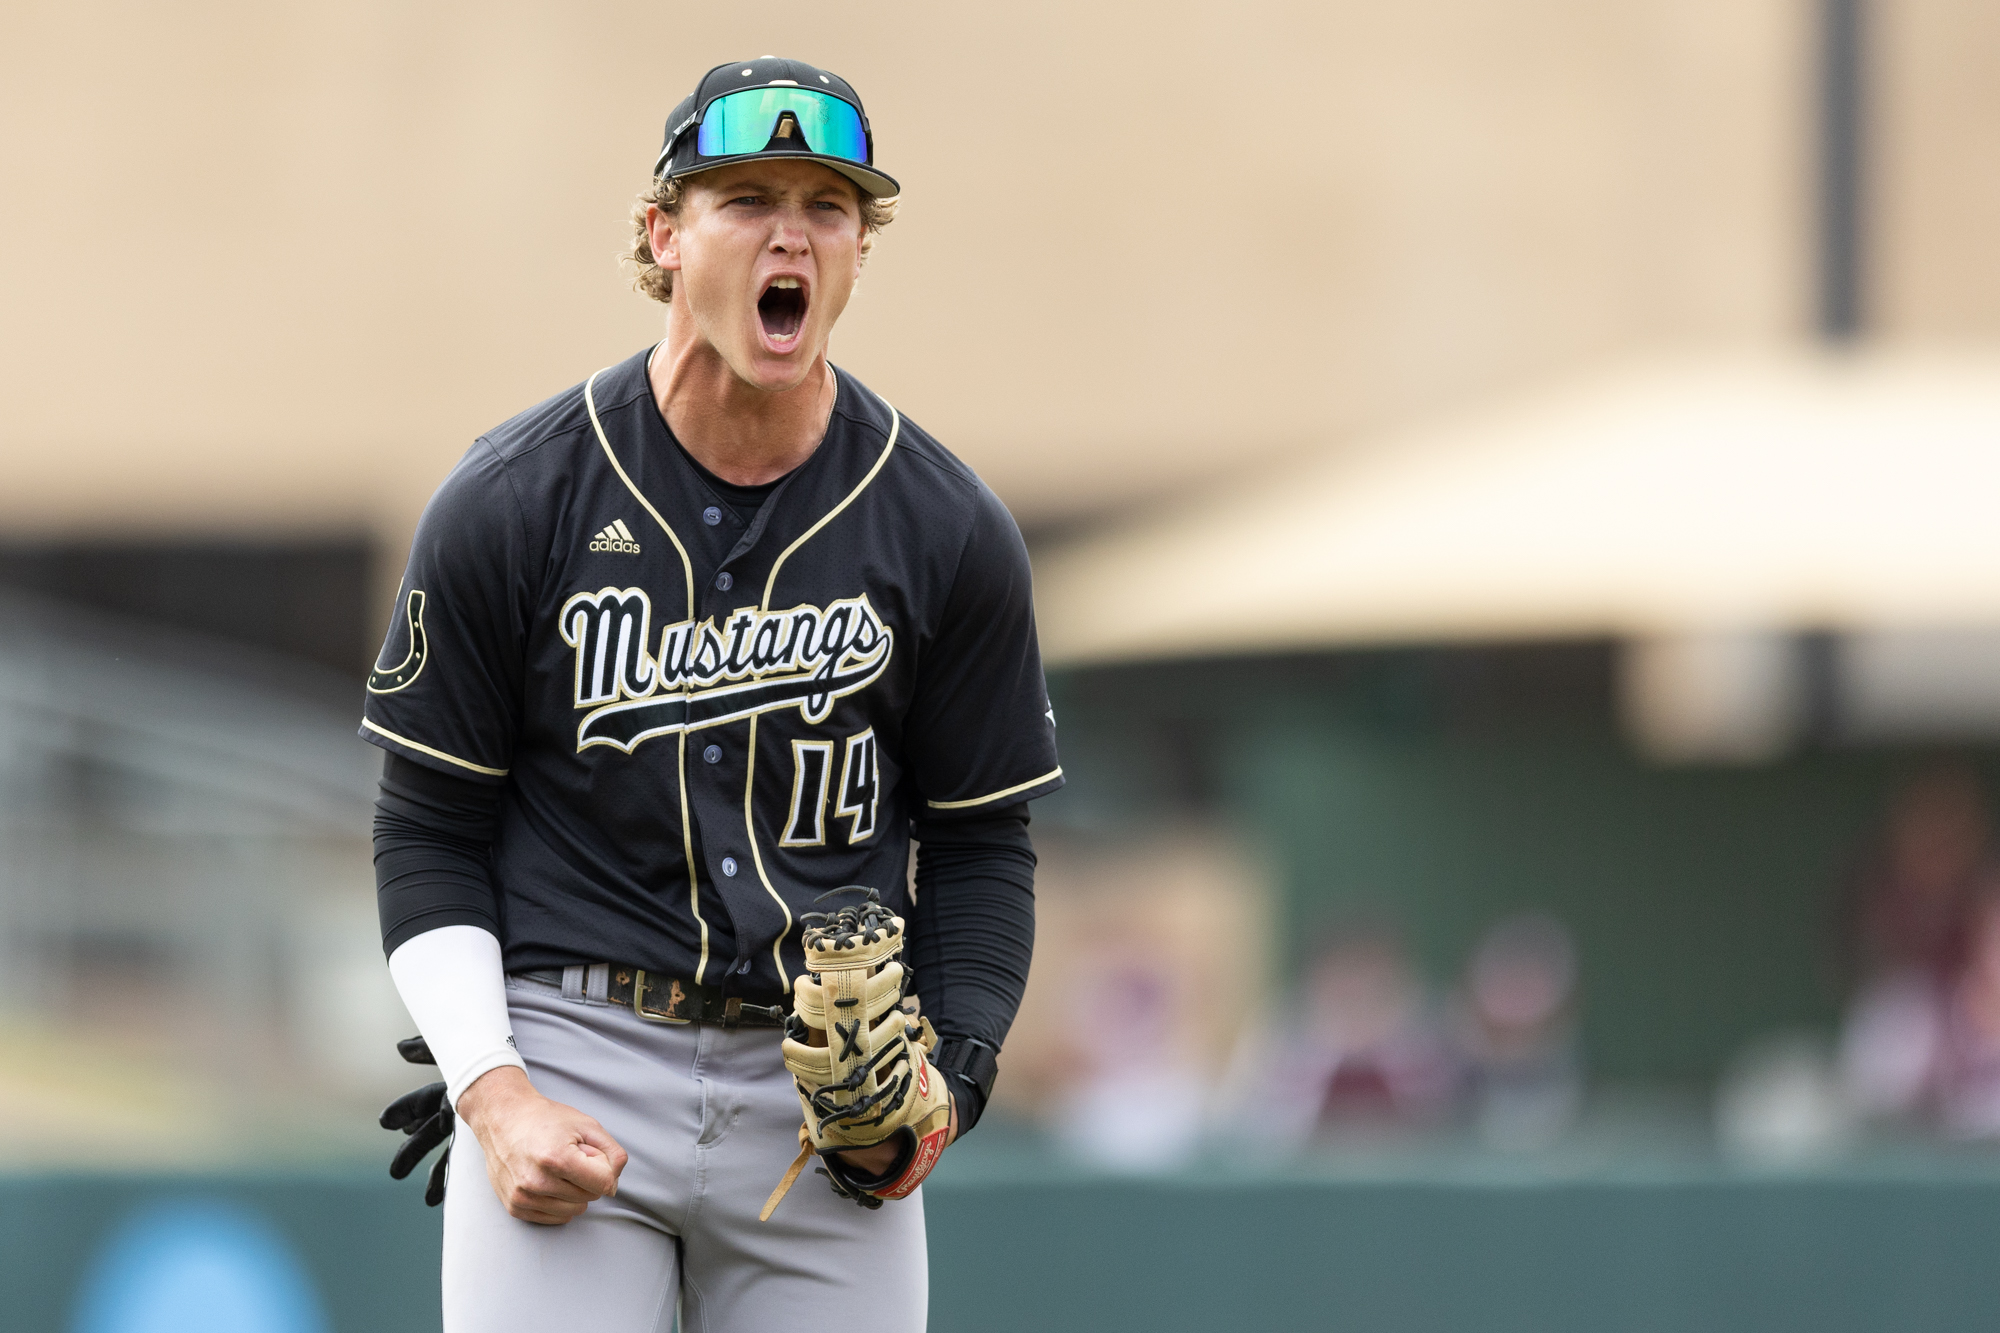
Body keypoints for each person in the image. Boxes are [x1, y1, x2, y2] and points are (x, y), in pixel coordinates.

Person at [365, 57, 1060, 1331]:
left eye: (829, 204)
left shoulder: (945, 526)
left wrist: (953, 1071)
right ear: (663, 234)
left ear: (857, 252)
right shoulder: (515, 496)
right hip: (573, 1054)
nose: (789, 229)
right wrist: (490, 1086)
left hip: (826, 1086)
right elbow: (426, 830)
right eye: (743, 196)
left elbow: (979, 840)